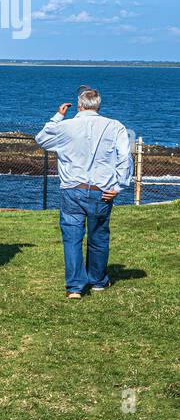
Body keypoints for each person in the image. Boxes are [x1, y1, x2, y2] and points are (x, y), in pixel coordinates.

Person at [34, 87, 133, 299]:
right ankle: (97, 281)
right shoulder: (115, 126)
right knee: (98, 236)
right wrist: (119, 186)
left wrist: (58, 116)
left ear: (79, 105)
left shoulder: (67, 126)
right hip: (102, 190)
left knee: (72, 238)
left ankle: (75, 287)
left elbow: (42, 139)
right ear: (98, 104)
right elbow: (125, 157)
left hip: (72, 189)